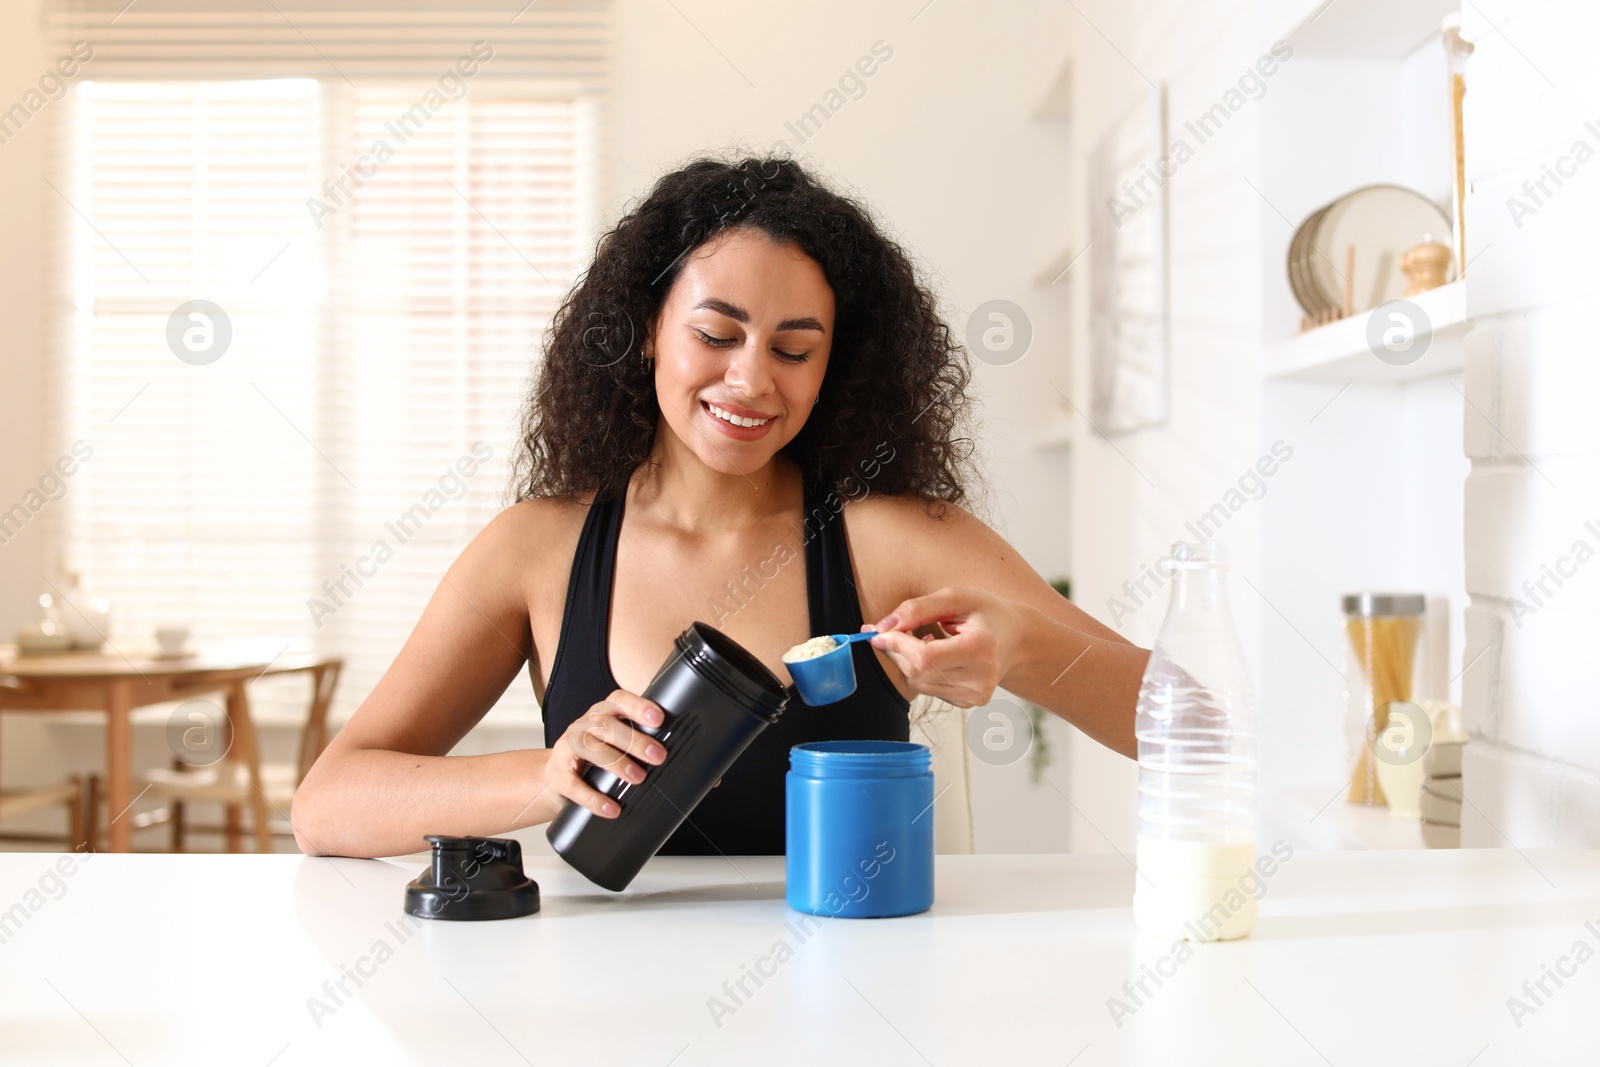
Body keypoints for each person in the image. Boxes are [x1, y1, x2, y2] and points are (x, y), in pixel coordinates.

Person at [292, 156, 1147, 859]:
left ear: (834, 365)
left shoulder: (888, 539)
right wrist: (547, 775)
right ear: (647, 328)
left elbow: (1186, 723)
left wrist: (1026, 650)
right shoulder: (539, 549)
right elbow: (328, 804)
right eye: (716, 334)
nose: (751, 380)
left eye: (794, 348)